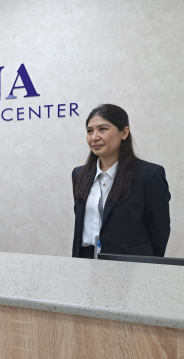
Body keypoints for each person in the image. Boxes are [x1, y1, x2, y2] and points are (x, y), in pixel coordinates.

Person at [72, 104, 170, 258]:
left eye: (102, 129)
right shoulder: (79, 174)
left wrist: (151, 266)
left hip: (130, 264)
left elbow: (159, 231)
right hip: (86, 260)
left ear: (124, 133)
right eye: (89, 131)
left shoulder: (149, 175)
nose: (94, 137)